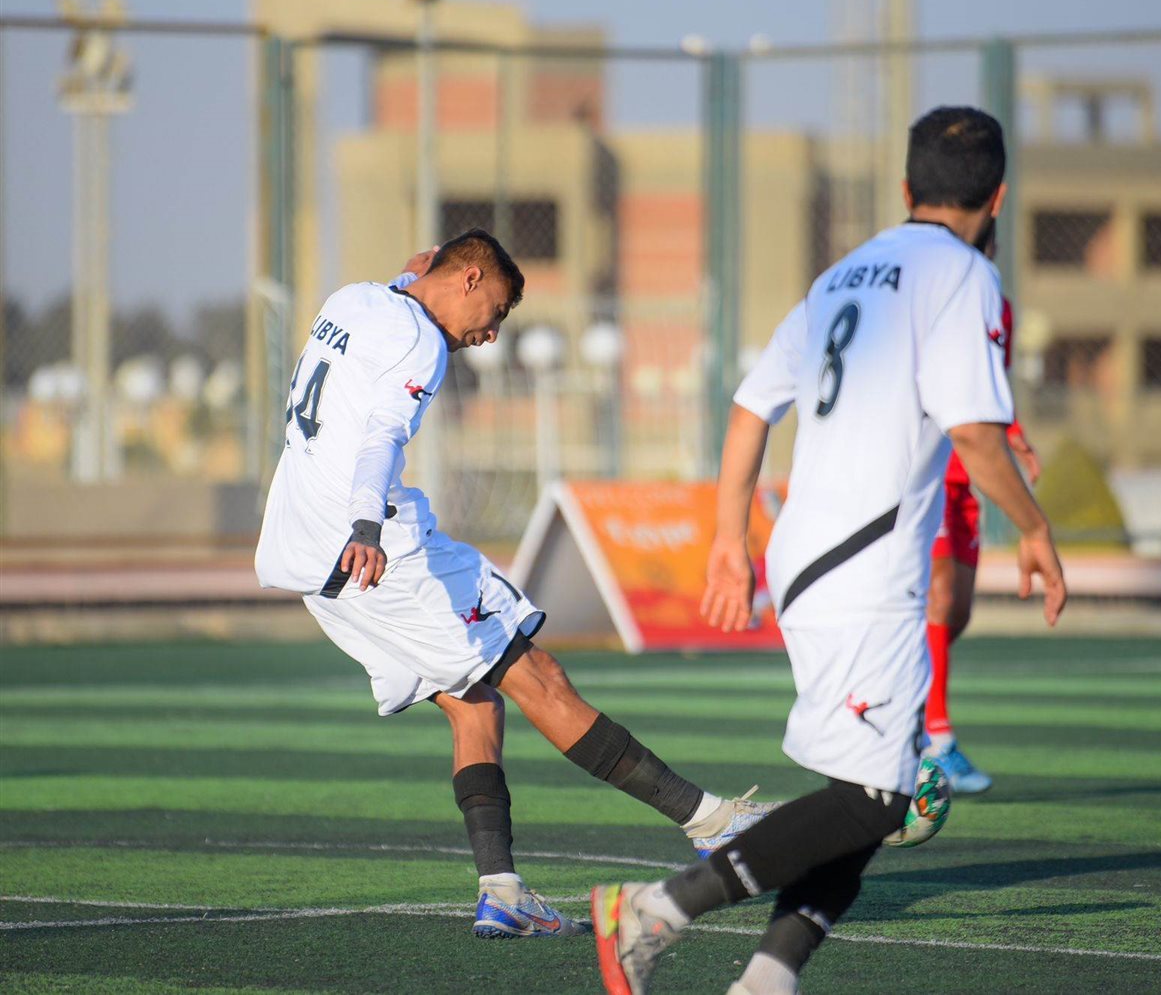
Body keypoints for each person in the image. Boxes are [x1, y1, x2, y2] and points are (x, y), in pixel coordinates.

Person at [591, 107, 1067, 995]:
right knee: (876, 800)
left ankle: (768, 979)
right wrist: (1035, 529)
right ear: (999, 198)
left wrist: (729, 540)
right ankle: (655, 909)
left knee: (870, 795)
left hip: (810, 550)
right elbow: (973, 430)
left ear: (906, 188)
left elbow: (750, 407)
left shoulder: (844, 273)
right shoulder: (962, 274)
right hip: (865, 562)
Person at [254, 228, 775, 941]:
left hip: (305, 554)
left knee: (475, 703)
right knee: (541, 678)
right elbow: (381, 438)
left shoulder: (354, 300)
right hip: (377, 549)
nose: (492, 333)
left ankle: (501, 891)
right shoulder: (422, 343)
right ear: (468, 277)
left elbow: (414, 277)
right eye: (495, 310)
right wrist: (368, 526)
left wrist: (425, 270)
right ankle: (710, 820)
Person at [925, 218, 1041, 794]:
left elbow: (992, 384)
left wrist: (1013, 433)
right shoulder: (925, 296)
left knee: (958, 612)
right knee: (940, 597)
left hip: (968, 473)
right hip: (924, 472)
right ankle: (935, 738)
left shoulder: (998, 305)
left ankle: (899, 699)